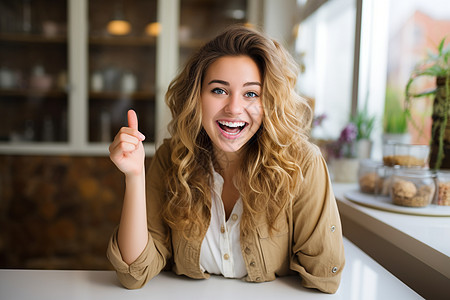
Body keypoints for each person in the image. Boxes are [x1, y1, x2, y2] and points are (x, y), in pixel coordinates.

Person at [107, 25, 345, 294]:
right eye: (219, 90)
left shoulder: (303, 164)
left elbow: (324, 278)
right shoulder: (172, 158)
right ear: (196, 97)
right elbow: (134, 273)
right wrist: (134, 175)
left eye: (251, 94)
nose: (233, 108)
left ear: (271, 102)